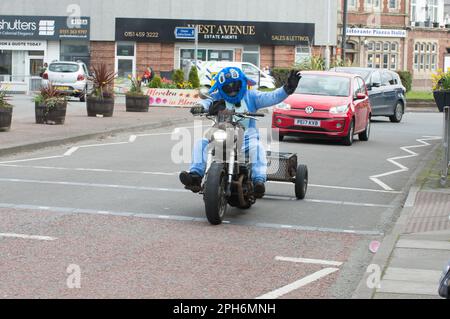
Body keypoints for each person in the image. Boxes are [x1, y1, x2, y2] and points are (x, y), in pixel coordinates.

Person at [179, 67, 301, 198]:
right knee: (201, 143)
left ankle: (258, 180)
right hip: (221, 133)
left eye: (235, 85)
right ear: (221, 87)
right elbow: (205, 101)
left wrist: (287, 89)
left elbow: (271, 96)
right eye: (228, 87)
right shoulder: (217, 96)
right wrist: (200, 107)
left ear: (242, 82)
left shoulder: (251, 96)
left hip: (247, 137)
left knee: (258, 148)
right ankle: (195, 176)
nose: (232, 90)